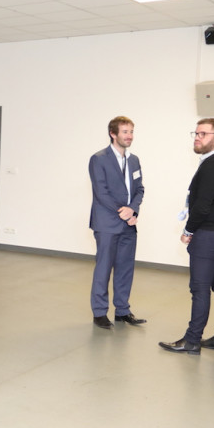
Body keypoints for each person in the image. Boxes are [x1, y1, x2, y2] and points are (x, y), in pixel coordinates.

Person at [160, 118, 214, 354]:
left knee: (200, 289)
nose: (197, 137)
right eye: (196, 133)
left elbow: (202, 207)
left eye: (203, 134)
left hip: (209, 236)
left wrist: (188, 231)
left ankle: (192, 340)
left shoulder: (212, 165)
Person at [88, 115, 146, 329]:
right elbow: (101, 192)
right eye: (125, 132)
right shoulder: (99, 159)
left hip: (129, 223)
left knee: (125, 268)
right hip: (107, 223)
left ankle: (122, 311)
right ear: (113, 134)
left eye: (131, 132)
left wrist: (133, 210)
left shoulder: (134, 160)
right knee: (103, 268)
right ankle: (100, 313)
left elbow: (140, 189)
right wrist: (121, 210)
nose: (129, 136)